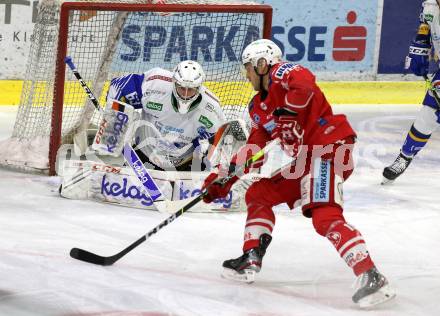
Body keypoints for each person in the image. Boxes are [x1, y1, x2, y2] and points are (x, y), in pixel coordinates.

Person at [201, 39, 395, 308]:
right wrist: (225, 178)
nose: (246, 75)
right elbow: (254, 147)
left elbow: (304, 82)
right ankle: (251, 255)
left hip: (328, 149)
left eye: (248, 68)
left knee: (323, 215)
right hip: (305, 160)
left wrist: (289, 113)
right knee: (259, 193)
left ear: (262, 64)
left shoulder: (282, 73)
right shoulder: (257, 106)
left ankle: (370, 274)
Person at [94, 60, 225, 171]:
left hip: (183, 164)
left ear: (199, 88)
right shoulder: (155, 84)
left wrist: (212, 163)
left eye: (190, 89)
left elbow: (220, 142)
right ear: (174, 82)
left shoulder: (211, 109)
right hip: (143, 154)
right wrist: (114, 121)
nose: (185, 94)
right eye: (181, 87)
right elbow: (117, 86)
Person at [383, 0, 440, 183]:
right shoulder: (430, 4)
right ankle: (405, 156)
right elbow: (424, 26)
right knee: (427, 115)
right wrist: (420, 48)